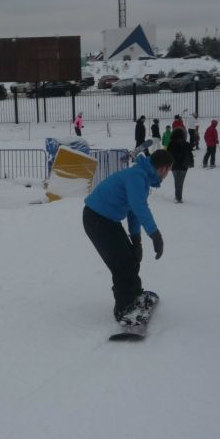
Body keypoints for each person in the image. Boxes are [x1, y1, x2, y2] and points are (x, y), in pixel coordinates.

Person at [83, 150, 172, 322]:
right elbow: (138, 206)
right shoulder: (137, 176)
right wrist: (155, 234)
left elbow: (133, 211)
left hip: (107, 219)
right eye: (169, 170)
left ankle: (134, 295)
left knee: (131, 257)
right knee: (121, 264)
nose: (167, 174)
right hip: (96, 219)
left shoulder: (142, 177)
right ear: (163, 169)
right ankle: (124, 308)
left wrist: (136, 240)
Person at [166, 127, 192, 203]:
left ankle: (177, 197)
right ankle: (179, 197)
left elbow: (168, 155)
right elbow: (190, 154)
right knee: (180, 182)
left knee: (176, 181)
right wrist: (191, 162)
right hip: (184, 166)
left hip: (174, 165)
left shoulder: (171, 144)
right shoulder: (186, 143)